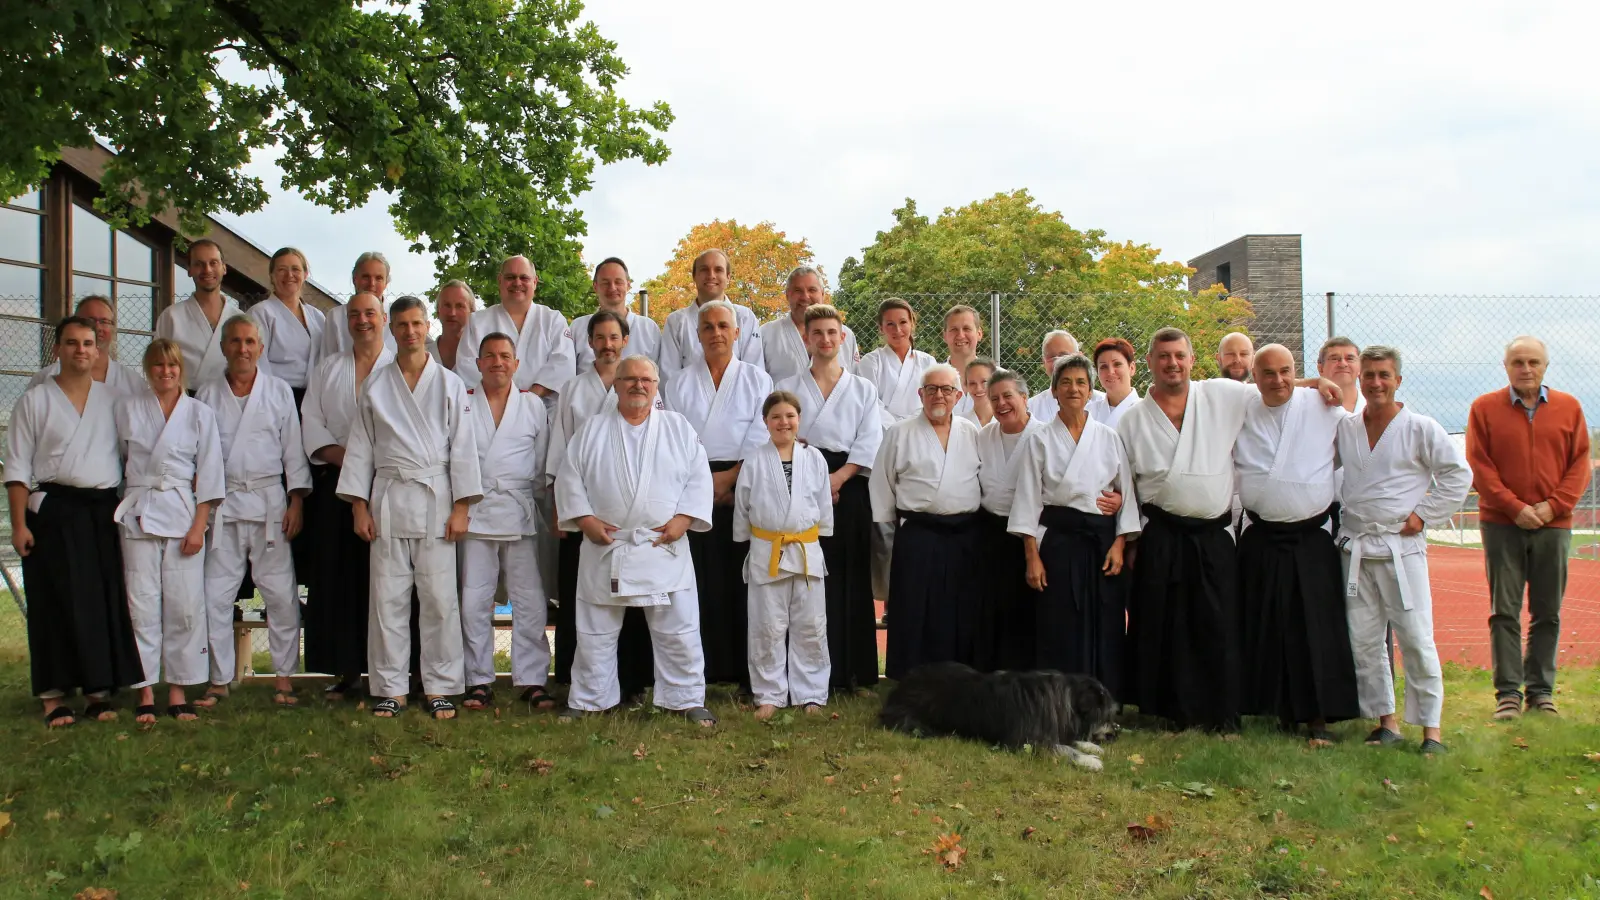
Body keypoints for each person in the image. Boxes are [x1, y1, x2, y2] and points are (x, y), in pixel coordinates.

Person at [1117, 327, 1337, 732]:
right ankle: (1168, 710)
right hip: (1161, 532)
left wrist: (1315, 382)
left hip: (1213, 535)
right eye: (1163, 356)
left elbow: (1272, 385)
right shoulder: (1131, 420)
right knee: (1165, 623)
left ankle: (1220, 710)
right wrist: (1129, 539)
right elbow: (1125, 484)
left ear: (1192, 360)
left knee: (1218, 623)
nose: (1172, 363)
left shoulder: (1220, 394)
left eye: (1179, 355)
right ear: (1149, 362)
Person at [337, 296, 481, 720]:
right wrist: (358, 506)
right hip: (388, 498)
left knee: (439, 599)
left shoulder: (450, 384)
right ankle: (391, 688)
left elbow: (463, 448)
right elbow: (361, 448)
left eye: (417, 323)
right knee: (387, 600)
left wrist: (462, 506)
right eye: (402, 324)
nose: (410, 331)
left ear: (427, 325)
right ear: (391, 328)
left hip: (436, 498)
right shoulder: (376, 385)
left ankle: (439, 686)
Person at [555, 355, 717, 725]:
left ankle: (686, 698)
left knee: (679, 629)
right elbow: (569, 477)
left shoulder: (677, 427)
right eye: (629, 379)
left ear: (657, 386)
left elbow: (699, 476)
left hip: (663, 544)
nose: (638, 385)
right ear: (616, 385)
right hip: (607, 545)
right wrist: (585, 519)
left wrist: (684, 519)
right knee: (595, 630)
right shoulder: (592, 430)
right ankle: (589, 698)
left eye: (646, 379)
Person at [7, 316, 142, 727]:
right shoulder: (35, 400)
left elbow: (132, 453)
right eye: (71, 343)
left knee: (99, 604)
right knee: (55, 603)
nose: (80, 350)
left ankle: (98, 692)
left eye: (87, 343)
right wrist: (19, 525)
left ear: (98, 351)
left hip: (101, 511)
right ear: (57, 350)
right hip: (55, 511)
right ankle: (53, 696)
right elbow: (17, 467)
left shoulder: (113, 399)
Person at [1338, 346, 1471, 753]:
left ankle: (1432, 731)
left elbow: (1457, 475)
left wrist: (1423, 515)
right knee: (1364, 639)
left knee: (1415, 636)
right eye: (1369, 375)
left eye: (1384, 375)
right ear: (1360, 379)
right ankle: (1386, 722)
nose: (1376, 383)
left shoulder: (1421, 428)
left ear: (1398, 380)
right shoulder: (1347, 428)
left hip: (1401, 545)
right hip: (1357, 546)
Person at [1233, 344, 1360, 741]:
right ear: (1254, 377)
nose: (1279, 380)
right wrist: (1311, 379)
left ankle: (1319, 714)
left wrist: (1315, 383)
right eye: (1268, 373)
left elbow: (1359, 442)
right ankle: (1276, 707)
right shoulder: (1241, 405)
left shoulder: (1321, 405)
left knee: (1315, 628)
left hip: (1311, 538)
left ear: (1295, 371)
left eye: (1286, 371)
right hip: (1262, 536)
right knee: (1266, 626)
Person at [1466, 336, 1591, 719]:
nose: (1525, 369)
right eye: (1517, 362)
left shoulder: (1570, 408)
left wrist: (1554, 506)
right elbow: (1479, 464)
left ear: (1545, 366)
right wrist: (1514, 507)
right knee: (1504, 611)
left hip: (1554, 526)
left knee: (1547, 611)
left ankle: (1541, 692)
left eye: (1533, 362)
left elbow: (1580, 463)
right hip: (1502, 524)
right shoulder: (1484, 408)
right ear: (1506, 367)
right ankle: (1508, 694)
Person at [194, 316, 312, 709]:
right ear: (224, 347)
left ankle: (284, 678)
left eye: (249, 342)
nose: (242, 349)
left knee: (280, 595)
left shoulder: (278, 392)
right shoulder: (207, 395)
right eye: (235, 341)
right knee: (215, 594)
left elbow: (293, 450)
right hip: (224, 504)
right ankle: (219, 679)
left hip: (268, 503)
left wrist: (296, 500)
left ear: (260, 348)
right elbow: (199, 455)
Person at [1010, 355, 1138, 695]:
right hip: (1058, 544)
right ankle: (1058, 700)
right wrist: (1032, 556)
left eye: (1081, 382)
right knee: (1058, 622)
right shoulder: (1040, 439)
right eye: (1065, 382)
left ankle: (1104, 699)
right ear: (1053, 390)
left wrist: (1120, 543)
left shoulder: (1108, 437)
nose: (1073, 389)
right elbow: (1027, 500)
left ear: (1091, 390)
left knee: (1106, 621)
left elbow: (1126, 493)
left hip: (1101, 544)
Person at [547, 311, 658, 703]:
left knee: (635, 594)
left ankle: (633, 681)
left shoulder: (643, 384)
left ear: (625, 340)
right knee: (583, 594)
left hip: (630, 505)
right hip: (583, 505)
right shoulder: (574, 389)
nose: (607, 345)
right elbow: (559, 450)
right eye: (600, 338)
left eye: (614, 337)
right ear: (589, 342)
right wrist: (561, 508)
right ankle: (578, 678)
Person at [773, 304, 883, 693]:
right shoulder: (787, 386)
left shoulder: (863, 388)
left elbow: (869, 440)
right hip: (800, 483)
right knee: (804, 577)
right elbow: (781, 436)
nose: (824, 339)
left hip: (848, 486)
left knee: (850, 575)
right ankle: (804, 671)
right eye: (816, 333)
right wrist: (817, 481)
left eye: (831, 332)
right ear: (806, 338)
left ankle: (852, 671)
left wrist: (837, 478)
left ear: (842, 337)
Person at [114, 340, 225, 723]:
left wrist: (199, 525)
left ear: (181, 369)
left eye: (172, 365)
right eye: (158, 365)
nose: (166, 372)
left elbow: (210, 472)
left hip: (182, 516)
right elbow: (120, 460)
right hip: (140, 512)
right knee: (141, 602)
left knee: (184, 605)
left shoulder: (199, 413)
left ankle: (178, 689)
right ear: (148, 370)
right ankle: (144, 690)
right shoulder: (128, 409)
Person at [663, 300, 772, 691]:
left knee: (742, 580)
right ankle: (700, 670)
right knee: (699, 580)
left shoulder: (758, 380)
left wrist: (730, 479)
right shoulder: (677, 383)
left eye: (723, 326)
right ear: (697, 335)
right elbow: (675, 438)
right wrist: (704, 484)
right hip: (693, 483)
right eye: (707, 327)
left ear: (737, 332)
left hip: (743, 483)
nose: (716, 333)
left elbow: (761, 435)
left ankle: (745, 673)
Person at [300, 293, 395, 700]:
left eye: (370, 313)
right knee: (339, 577)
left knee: (388, 581)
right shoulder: (329, 368)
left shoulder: (400, 366)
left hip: (389, 483)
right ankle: (347, 670)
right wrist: (350, 460)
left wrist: (372, 464)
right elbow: (311, 422)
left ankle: (395, 670)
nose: (362, 320)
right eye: (354, 314)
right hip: (337, 483)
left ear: (383, 318)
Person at [456, 331, 552, 710]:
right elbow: (455, 456)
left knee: (530, 599)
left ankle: (532, 678)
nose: (498, 362)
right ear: (478, 363)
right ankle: (478, 679)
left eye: (505, 356)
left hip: (519, 509)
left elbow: (541, 463)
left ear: (516, 363)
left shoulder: (532, 405)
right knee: (474, 599)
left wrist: (537, 501)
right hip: (476, 508)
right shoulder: (463, 403)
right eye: (491, 356)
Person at [869, 364, 984, 678]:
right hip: (918, 533)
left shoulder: (971, 432)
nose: (939, 395)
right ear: (920, 394)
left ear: (958, 396)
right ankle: (912, 675)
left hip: (963, 533)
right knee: (914, 605)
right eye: (931, 389)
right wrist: (888, 534)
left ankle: (959, 675)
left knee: (959, 606)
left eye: (947, 389)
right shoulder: (900, 432)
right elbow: (881, 484)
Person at [733, 391, 834, 719]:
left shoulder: (815, 458)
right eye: (776, 417)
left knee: (811, 624)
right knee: (767, 625)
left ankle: (811, 693)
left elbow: (823, 503)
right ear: (765, 422)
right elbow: (743, 506)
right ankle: (769, 694)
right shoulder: (754, 460)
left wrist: (820, 533)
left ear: (799, 419)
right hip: (768, 550)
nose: (783, 422)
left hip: (805, 549)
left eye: (790, 416)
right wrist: (744, 537)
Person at [972, 368, 1046, 671]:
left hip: (1031, 534)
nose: (1001, 404)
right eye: (994, 399)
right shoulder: (984, 436)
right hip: (989, 533)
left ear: (1025, 398)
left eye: (1008, 396)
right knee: (990, 608)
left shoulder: (1043, 435)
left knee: (1026, 610)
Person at [659, 249, 764, 380]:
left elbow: (755, 375)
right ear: (694, 276)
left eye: (718, 270)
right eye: (704, 270)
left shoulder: (745, 317)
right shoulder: (676, 321)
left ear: (728, 277)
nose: (711, 275)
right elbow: (669, 378)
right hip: (687, 393)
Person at [156, 239, 242, 388]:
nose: (207, 270)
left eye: (213, 263)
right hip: (184, 397)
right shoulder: (171, 316)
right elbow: (158, 363)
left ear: (224, 268)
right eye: (198, 264)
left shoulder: (240, 319)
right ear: (189, 270)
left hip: (229, 397)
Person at [249, 247, 326, 406]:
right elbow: (258, 364)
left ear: (305, 274)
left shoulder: (317, 316)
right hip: (274, 398)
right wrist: (270, 399)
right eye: (281, 270)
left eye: (295, 269)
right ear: (272, 276)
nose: (289, 275)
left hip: (313, 398)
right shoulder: (260, 313)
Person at [28, 296, 147, 397]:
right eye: (90, 320)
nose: (97, 327)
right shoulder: (44, 378)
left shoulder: (133, 382)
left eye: (104, 322)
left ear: (113, 328)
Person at [759, 266, 860, 382]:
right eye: (798, 291)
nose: (805, 297)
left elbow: (854, 381)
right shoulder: (766, 334)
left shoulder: (845, 334)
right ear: (787, 295)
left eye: (812, 290)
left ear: (822, 294)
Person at [571, 257, 661, 370]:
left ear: (628, 285)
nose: (612, 288)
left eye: (618, 282)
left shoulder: (649, 328)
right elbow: (567, 373)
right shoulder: (578, 327)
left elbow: (659, 375)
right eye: (605, 283)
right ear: (595, 286)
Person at [857, 298, 935, 426]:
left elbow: (934, 399)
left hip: (921, 428)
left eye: (903, 322)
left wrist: (913, 428)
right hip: (882, 431)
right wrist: (896, 430)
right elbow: (869, 402)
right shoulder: (871, 362)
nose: (897, 330)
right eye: (890, 324)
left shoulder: (928, 362)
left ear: (912, 324)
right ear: (881, 328)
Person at [322, 251, 397, 355]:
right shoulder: (336, 316)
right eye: (366, 277)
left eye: (378, 278)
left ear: (386, 283)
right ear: (354, 279)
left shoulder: (397, 314)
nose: (372, 283)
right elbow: (327, 356)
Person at [1026, 330, 1102, 422]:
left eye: (1064, 355)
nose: (1057, 362)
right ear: (1044, 362)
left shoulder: (1103, 403)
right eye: (1051, 357)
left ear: (1079, 357)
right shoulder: (1030, 409)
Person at [940, 305, 983, 419]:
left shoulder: (999, 378)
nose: (960, 335)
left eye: (967, 328)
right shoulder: (931, 379)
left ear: (979, 334)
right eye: (954, 329)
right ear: (944, 336)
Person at [1089, 337, 1141, 426]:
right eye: (1103, 367)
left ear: (1132, 368)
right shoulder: (1087, 412)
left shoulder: (1147, 411)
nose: (1111, 372)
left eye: (1117, 364)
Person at [428, 280, 476, 370]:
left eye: (459, 306)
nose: (452, 313)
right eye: (447, 305)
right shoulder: (424, 357)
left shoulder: (481, 355)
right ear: (438, 311)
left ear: (472, 312)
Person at [1317, 337, 1363, 415]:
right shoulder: (1307, 403)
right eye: (1334, 359)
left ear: (1360, 367)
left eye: (1350, 359)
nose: (1342, 364)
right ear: (1320, 368)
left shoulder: (1372, 405)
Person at [958, 358, 997, 427]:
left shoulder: (1007, 419)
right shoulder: (960, 423)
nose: (978, 389)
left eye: (984, 382)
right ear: (966, 386)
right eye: (972, 383)